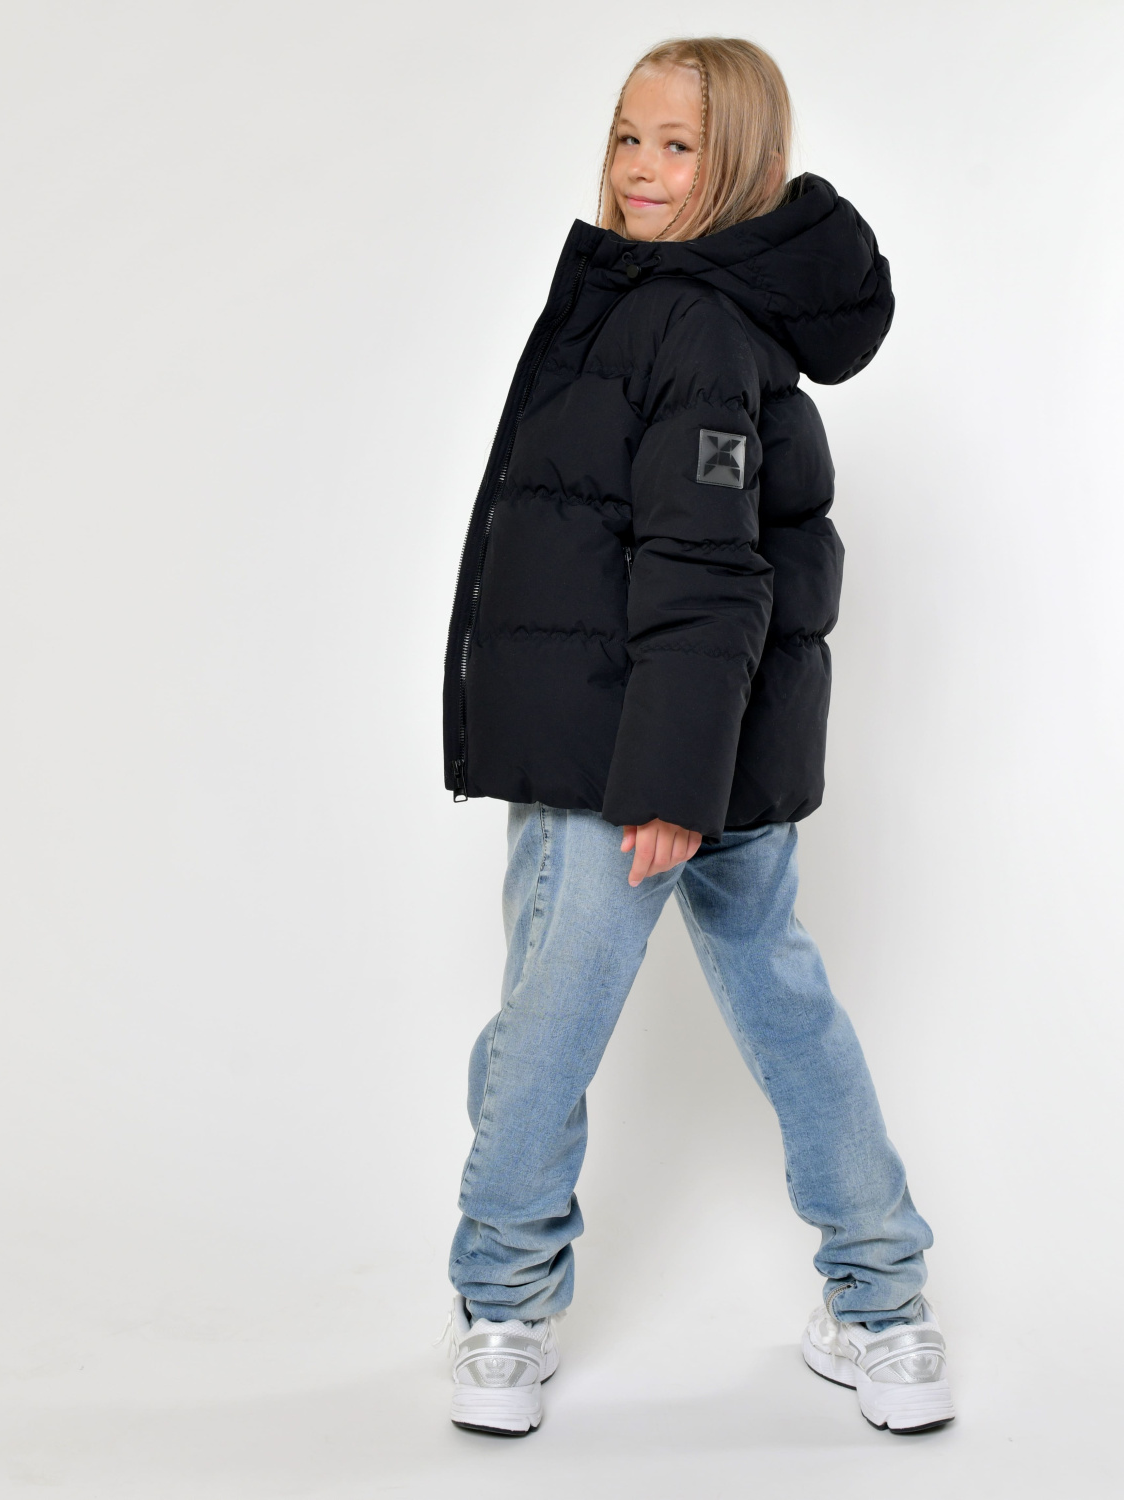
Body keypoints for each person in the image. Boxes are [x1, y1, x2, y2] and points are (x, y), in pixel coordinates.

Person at [440, 36, 954, 1438]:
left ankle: (502, 1305)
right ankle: (884, 1306)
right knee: (786, 1010)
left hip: (628, 755)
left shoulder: (685, 321)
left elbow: (706, 567)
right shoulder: (689, 302)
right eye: (628, 137)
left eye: (678, 146)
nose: (642, 169)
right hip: (713, 746)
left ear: (747, 167)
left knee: (546, 1028)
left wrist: (664, 788)